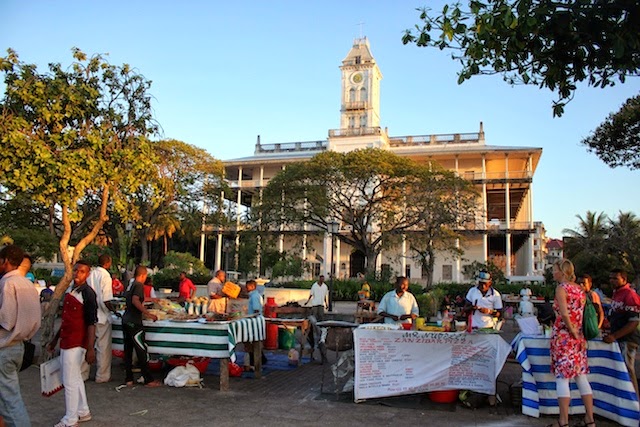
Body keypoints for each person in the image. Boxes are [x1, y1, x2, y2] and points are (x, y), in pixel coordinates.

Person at [47, 260, 98, 427]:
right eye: (75, 270)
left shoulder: (88, 293)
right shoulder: (72, 290)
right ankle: (82, 411)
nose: (77, 274)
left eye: (82, 271)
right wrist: (55, 339)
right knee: (74, 378)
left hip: (77, 342)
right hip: (67, 339)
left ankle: (70, 419)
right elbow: (66, 320)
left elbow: (91, 323)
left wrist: (90, 348)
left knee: (69, 381)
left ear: (88, 274)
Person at [548, 259, 595, 427]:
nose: (553, 273)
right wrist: (577, 334)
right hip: (579, 338)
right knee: (581, 377)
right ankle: (590, 418)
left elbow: (564, 314)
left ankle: (563, 421)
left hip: (564, 337)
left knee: (562, 378)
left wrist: (571, 331)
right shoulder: (579, 289)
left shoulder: (562, 288)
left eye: (555, 270)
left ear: (562, 272)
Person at [0, 245, 41, 427]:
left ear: (6, 261)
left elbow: (6, 320)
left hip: (5, 347)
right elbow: (35, 320)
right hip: (19, 346)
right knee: (8, 398)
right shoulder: (27, 284)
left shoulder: (7, 283)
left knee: (10, 402)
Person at [122, 265, 162, 388]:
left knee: (128, 351)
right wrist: (148, 313)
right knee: (141, 350)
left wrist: (151, 300)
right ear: (143, 275)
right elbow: (135, 300)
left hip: (126, 320)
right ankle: (148, 379)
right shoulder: (139, 285)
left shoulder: (130, 284)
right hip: (134, 322)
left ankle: (129, 378)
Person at [603, 268, 640, 399]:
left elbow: (634, 322)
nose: (612, 281)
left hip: (628, 339)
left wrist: (614, 336)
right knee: (620, 370)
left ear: (624, 279)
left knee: (627, 370)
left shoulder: (629, 295)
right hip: (618, 338)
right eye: (610, 278)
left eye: (615, 278)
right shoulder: (616, 293)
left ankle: (635, 402)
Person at [84, 254, 114, 383]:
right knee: (103, 347)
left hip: (89, 314)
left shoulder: (90, 274)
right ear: (107, 263)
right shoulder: (105, 276)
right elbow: (106, 299)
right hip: (101, 315)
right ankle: (102, 375)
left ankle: (83, 373)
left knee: (87, 344)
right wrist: (114, 311)